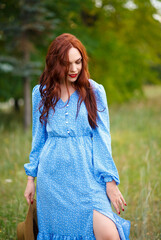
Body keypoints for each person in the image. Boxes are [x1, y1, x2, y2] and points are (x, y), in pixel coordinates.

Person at [24, 33, 131, 240]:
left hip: (87, 177)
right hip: (52, 181)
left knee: (109, 235)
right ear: (55, 63)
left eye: (78, 62)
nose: (74, 69)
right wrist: (31, 178)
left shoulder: (94, 91)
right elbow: (38, 139)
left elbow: (102, 139)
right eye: (67, 63)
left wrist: (109, 182)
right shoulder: (41, 93)